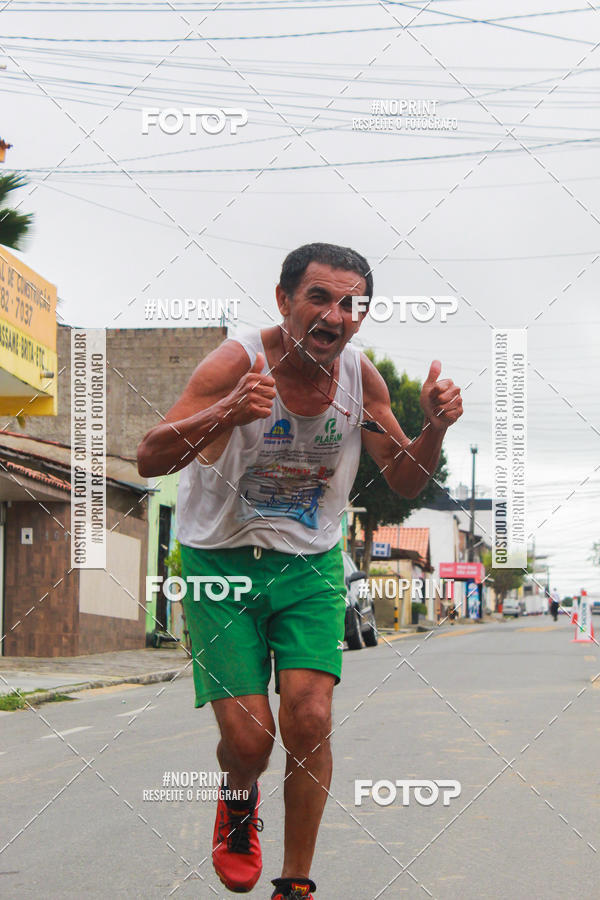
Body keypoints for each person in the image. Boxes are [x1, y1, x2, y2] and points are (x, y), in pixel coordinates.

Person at [137, 242, 463, 899]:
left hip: (310, 564)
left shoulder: (361, 382)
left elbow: (405, 478)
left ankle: (296, 883)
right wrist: (226, 412)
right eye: (319, 298)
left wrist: (433, 429)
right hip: (219, 560)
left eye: (351, 305)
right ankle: (238, 797)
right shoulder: (237, 362)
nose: (335, 316)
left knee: (310, 719)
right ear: (284, 300)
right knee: (250, 742)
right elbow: (149, 458)